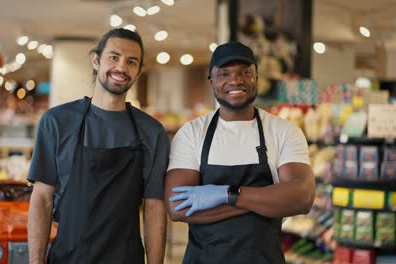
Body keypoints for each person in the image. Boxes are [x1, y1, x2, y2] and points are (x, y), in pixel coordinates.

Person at [27, 28, 169, 264]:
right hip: (68, 257)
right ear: (96, 60)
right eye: (114, 57)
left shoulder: (152, 132)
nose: (121, 67)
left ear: (138, 71)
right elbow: (42, 198)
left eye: (131, 61)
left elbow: (155, 208)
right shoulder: (57, 122)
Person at [165, 42, 315, 264]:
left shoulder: (284, 131)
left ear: (256, 77)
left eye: (245, 72)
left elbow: (302, 198)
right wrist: (262, 201)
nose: (235, 80)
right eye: (224, 73)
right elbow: (178, 207)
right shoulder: (192, 133)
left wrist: (228, 194)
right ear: (212, 81)